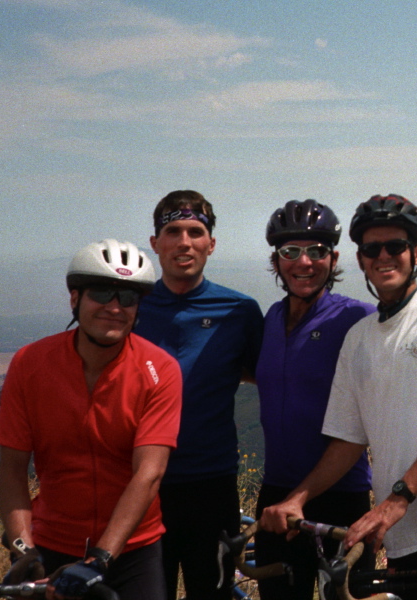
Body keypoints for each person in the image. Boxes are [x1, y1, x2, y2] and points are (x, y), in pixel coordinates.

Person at [260, 195, 417, 600]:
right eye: (372, 249)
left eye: (395, 246)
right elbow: (348, 439)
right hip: (403, 526)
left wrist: (396, 500)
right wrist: (297, 500)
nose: (384, 256)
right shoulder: (359, 337)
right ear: (359, 260)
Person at [0, 239, 182, 600]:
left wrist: (100, 557)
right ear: (75, 298)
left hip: (133, 550)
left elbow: (149, 473)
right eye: (101, 293)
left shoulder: (160, 370)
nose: (114, 307)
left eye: (127, 298)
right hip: (50, 543)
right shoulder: (30, 363)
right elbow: (12, 465)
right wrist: (23, 549)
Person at [132, 191, 264, 600]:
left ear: (211, 243)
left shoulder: (240, 311)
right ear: (155, 243)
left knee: (215, 594)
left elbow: (272, 375)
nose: (184, 242)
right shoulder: (129, 305)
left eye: (195, 231)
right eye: (173, 231)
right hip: (138, 485)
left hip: (212, 484)